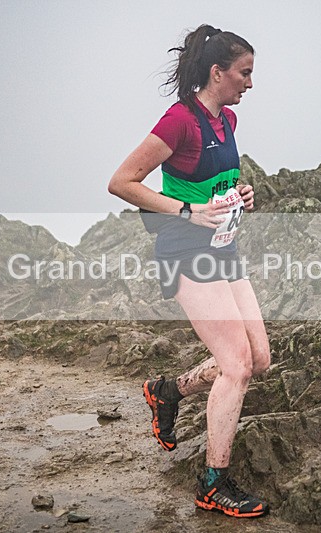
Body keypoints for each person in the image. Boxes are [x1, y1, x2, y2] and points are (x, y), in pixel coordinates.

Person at [108, 24, 271, 518]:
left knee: (258, 358)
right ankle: (213, 483)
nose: (250, 83)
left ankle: (167, 392)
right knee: (236, 364)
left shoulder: (228, 121)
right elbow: (122, 181)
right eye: (244, 73)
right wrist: (187, 211)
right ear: (217, 72)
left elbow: (216, 180)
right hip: (184, 249)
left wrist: (239, 195)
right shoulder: (180, 120)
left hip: (223, 247)